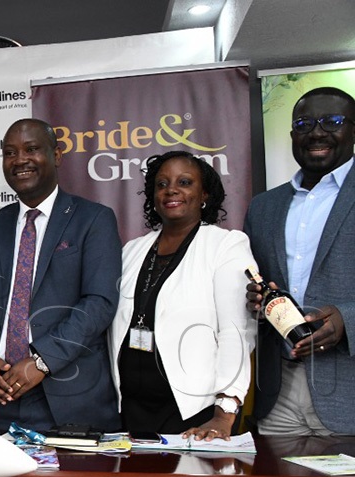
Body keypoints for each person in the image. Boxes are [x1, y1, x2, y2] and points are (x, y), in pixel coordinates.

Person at [0, 118, 121, 434]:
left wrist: (42, 361)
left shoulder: (93, 219)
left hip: (67, 400)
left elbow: (99, 302)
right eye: (9, 153)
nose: (20, 160)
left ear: (56, 155)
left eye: (31, 149)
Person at [110, 151, 256, 440]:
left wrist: (223, 414)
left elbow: (235, 333)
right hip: (129, 410)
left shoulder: (225, 246)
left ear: (204, 194)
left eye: (184, 182)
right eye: (162, 184)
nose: (171, 190)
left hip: (195, 412)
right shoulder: (131, 251)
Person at [245, 86, 355, 435]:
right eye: (305, 124)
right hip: (278, 392)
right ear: (293, 134)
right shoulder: (263, 207)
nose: (317, 132)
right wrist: (256, 300)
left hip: (348, 388)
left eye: (332, 121)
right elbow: (259, 284)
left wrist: (347, 320)